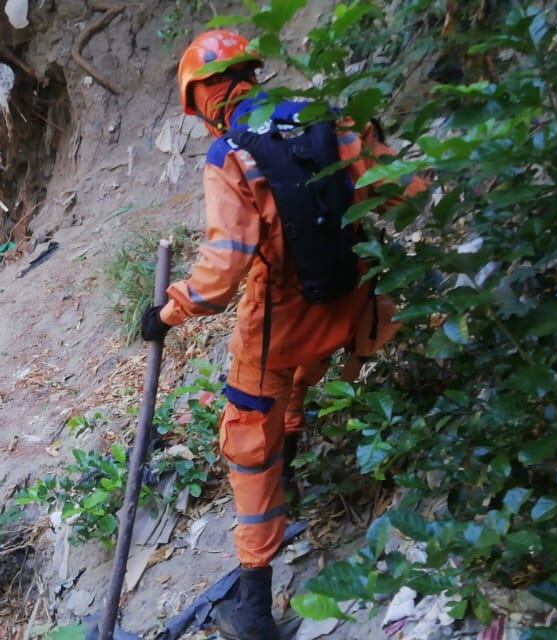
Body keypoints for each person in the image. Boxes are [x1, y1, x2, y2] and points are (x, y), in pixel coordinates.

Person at [141, 30, 426, 639]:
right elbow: (407, 192)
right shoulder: (330, 121)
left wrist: (167, 313)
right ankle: (292, 469)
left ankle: (253, 604)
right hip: (348, 305)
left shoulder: (231, 155)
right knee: (301, 379)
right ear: (250, 74)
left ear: (201, 97)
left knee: (249, 441)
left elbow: (221, 277)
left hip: (278, 324)